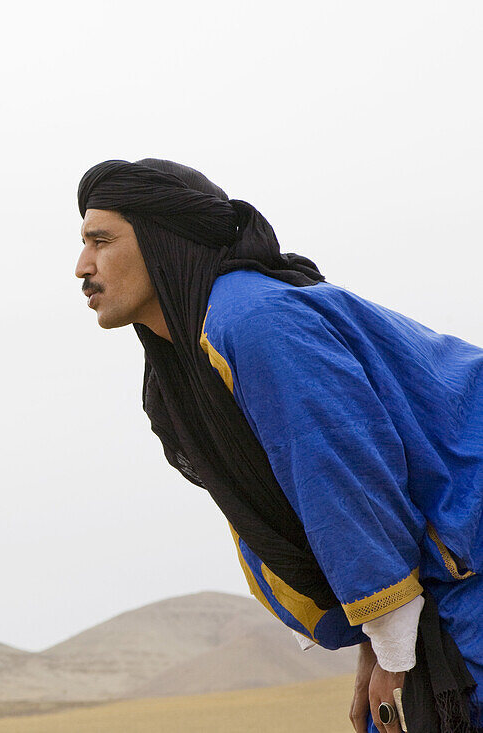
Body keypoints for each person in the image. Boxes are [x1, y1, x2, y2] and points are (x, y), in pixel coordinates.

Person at [74, 159, 483, 733]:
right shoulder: (188, 362)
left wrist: (394, 648)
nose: (81, 267)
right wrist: (378, 634)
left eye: (101, 240)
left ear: (165, 242)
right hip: (448, 572)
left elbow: (340, 469)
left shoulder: (253, 319)